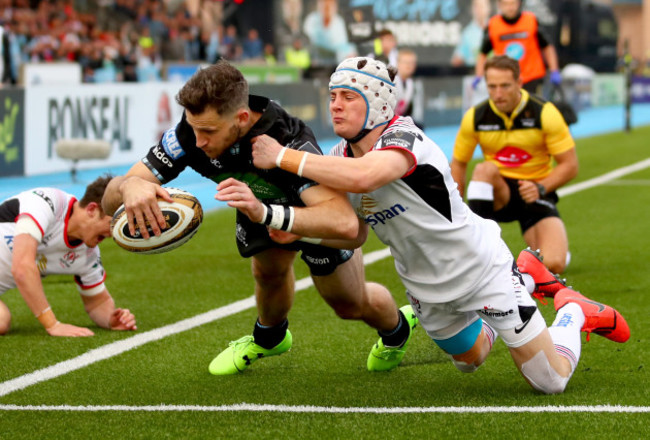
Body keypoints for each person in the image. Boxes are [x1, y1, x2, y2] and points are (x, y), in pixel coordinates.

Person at [251, 56, 630, 394]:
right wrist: (297, 226)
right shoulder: (336, 158)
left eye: (348, 97)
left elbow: (366, 176)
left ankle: (572, 310)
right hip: (424, 287)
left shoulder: (404, 137)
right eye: (333, 96)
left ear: (378, 101)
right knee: (471, 360)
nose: (335, 105)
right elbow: (354, 231)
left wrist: (282, 155)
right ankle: (528, 277)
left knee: (550, 381)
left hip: (480, 269)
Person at [101, 60, 417, 376]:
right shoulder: (191, 132)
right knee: (268, 273)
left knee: (349, 304)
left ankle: (397, 330)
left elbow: (344, 223)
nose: (198, 142)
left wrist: (270, 214)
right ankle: (269, 338)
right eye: (193, 127)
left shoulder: (287, 138)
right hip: (255, 204)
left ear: (241, 118)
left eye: (208, 132)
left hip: (308, 215)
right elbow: (108, 201)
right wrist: (130, 186)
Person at [452, 55, 577, 274]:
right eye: (492, 87)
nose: (498, 94)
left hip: (535, 193)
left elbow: (570, 165)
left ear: (519, 83)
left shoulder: (544, 113)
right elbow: (459, 164)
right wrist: (454, 210)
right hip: (500, 193)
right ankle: (477, 249)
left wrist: (541, 188)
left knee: (553, 265)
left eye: (505, 86)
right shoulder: (475, 117)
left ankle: (553, 251)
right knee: (483, 169)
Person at [0, 175, 137, 336]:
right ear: (92, 210)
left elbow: (98, 303)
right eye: (113, 223)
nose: (115, 233)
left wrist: (111, 319)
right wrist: (53, 325)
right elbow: (22, 267)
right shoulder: (48, 203)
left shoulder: (88, 254)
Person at [472, 0, 561, 94]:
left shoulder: (531, 20)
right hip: (505, 79)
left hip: (532, 77)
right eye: (506, 4)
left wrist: (554, 70)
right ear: (500, 5)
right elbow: (483, 53)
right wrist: (478, 75)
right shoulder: (493, 25)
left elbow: (547, 47)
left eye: (513, 3)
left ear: (519, 3)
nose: (510, 8)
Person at [451, 0, 491, 67]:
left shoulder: (496, 27)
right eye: (476, 6)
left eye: (482, 6)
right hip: (473, 73)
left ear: (488, 8)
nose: (479, 10)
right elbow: (458, 58)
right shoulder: (467, 33)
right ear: (472, 9)